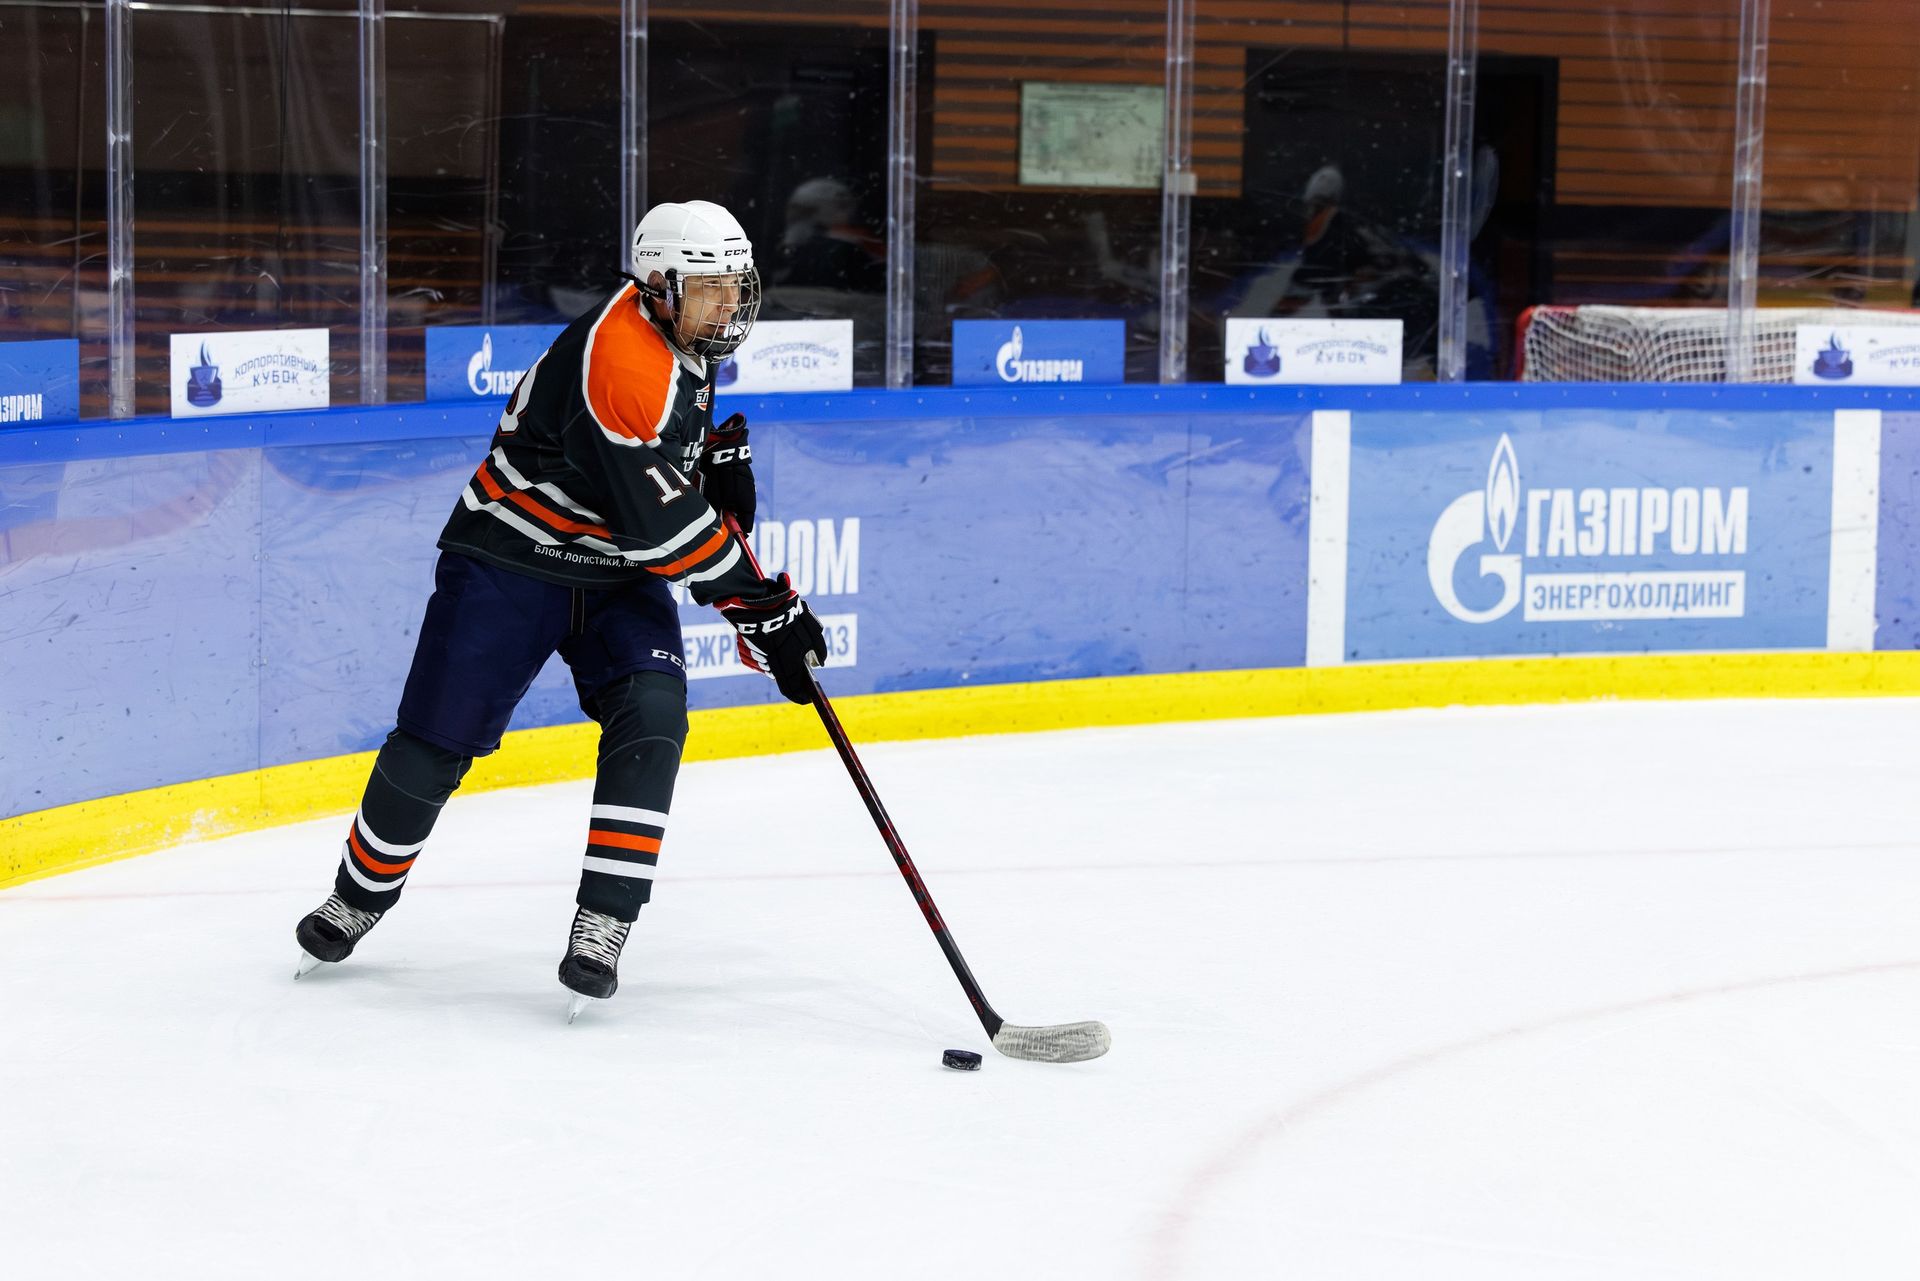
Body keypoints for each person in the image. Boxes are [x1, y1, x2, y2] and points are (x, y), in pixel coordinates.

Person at [292, 199, 827, 1016]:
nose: (729, 305)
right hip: (511, 558)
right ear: (658, 285)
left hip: (616, 575)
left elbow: (654, 481)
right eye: (711, 288)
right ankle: (358, 895)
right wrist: (769, 612)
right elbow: (663, 531)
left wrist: (707, 460)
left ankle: (603, 922)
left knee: (653, 713)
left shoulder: (683, 334)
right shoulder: (619, 359)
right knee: (435, 741)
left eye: (735, 286)